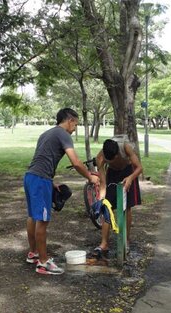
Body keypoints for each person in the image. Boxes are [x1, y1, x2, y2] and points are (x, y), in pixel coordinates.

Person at [24, 108, 100, 275]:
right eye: (75, 124)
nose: (74, 129)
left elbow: (41, 159)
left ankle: (34, 254)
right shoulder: (63, 134)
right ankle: (43, 263)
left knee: (32, 216)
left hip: (31, 177)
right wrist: (90, 177)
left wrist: (50, 182)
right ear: (69, 120)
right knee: (42, 220)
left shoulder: (46, 134)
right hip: (40, 180)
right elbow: (76, 162)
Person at [93, 136, 142, 256]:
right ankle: (104, 244)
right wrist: (102, 199)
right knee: (107, 207)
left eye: (114, 159)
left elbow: (139, 167)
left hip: (128, 171)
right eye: (109, 161)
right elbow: (103, 182)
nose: (112, 161)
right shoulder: (100, 158)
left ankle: (126, 241)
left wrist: (130, 178)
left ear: (117, 153)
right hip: (113, 174)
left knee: (127, 208)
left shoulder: (125, 147)